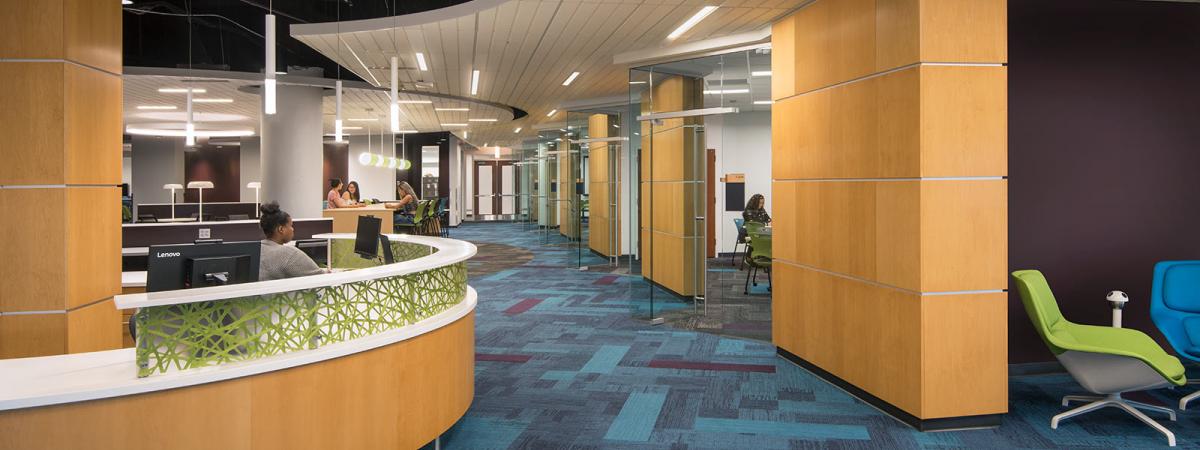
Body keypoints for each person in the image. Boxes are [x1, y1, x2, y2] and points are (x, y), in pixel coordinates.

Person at [258, 202, 326, 281]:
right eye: (291, 225)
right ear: (281, 229)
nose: (293, 229)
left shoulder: (257, 249)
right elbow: (320, 277)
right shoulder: (289, 254)